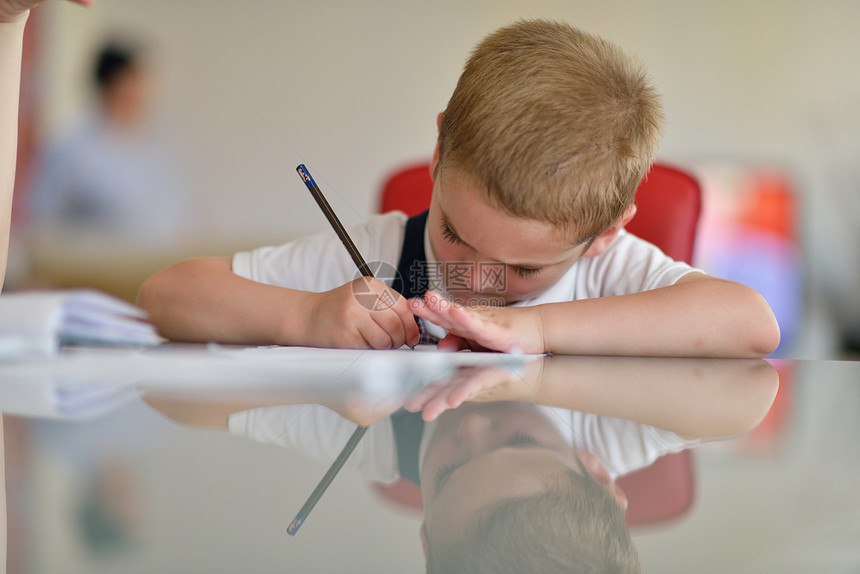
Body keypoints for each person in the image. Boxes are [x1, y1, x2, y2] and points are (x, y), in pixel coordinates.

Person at [138, 19, 780, 358]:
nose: (475, 278)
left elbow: (751, 324)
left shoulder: (612, 273)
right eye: (454, 233)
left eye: (524, 267)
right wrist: (303, 316)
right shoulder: (389, 256)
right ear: (440, 148)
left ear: (605, 233)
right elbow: (167, 295)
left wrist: (537, 329)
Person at [27, 38, 190, 247]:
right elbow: (43, 219)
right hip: (94, 271)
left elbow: (181, 216)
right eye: (131, 82)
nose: (140, 92)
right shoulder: (72, 149)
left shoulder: (160, 148)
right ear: (109, 85)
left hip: (155, 267)